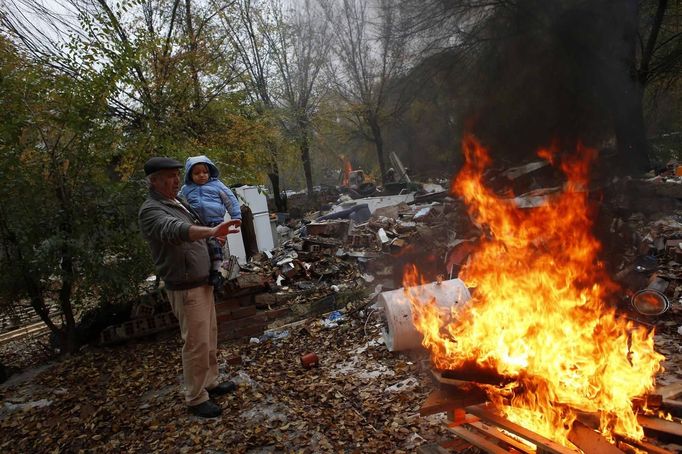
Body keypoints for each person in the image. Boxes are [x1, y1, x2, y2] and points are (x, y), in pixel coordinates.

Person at [138, 157, 241, 418]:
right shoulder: (151, 210)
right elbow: (175, 230)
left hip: (202, 281)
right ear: (155, 181)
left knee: (208, 337)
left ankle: (211, 381)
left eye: (176, 175)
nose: (176, 180)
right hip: (184, 286)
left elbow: (195, 225)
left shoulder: (177, 202)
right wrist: (210, 231)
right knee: (195, 343)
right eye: (170, 176)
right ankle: (195, 397)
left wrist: (213, 236)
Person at [179, 156, 242, 292]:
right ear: (190, 174)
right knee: (200, 249)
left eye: (205, 172)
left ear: (210, 172)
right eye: (197, 173)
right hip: (196, 223)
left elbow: (230, 200)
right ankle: (203, 274)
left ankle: (216, 272)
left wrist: (236, 216)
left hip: (215, 222)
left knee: (215, 244)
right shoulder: (186, 189)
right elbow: (179, 204)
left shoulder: (217, 185)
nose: (202, 175)